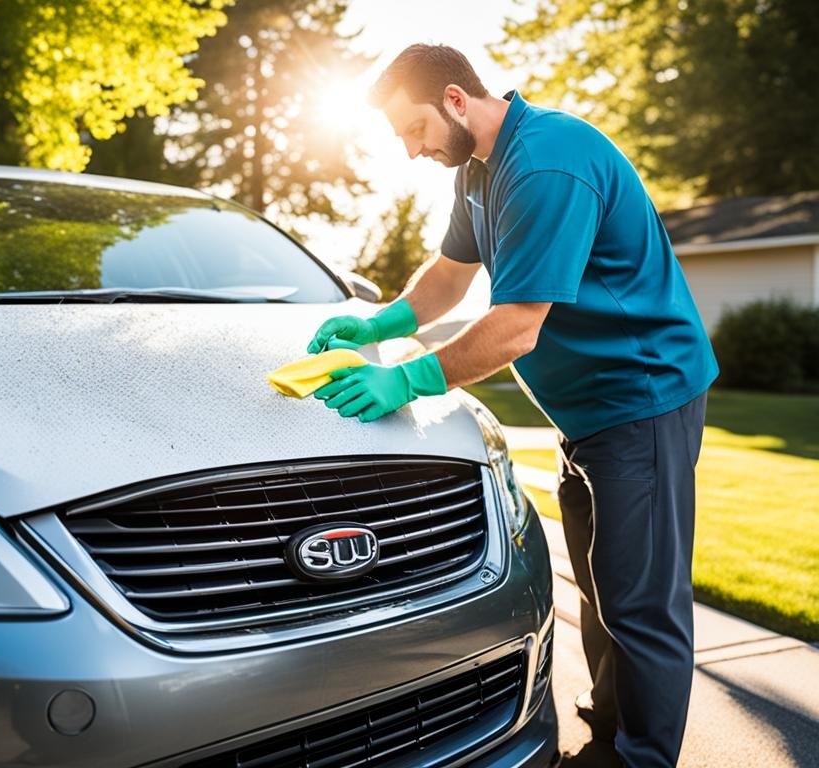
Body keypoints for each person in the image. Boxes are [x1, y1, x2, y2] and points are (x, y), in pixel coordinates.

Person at [307, 44, 718, 768]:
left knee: (641, 602)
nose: (410, 151)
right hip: (588, 416)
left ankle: (641, 758)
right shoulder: (476, 170)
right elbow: (448, 276)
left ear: (458, 100)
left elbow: (516, 327)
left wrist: (406, 380)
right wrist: (380, 322)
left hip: (643, 399)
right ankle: (611, 727)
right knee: (599, 584)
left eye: (414, 130)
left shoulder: (547, 162)